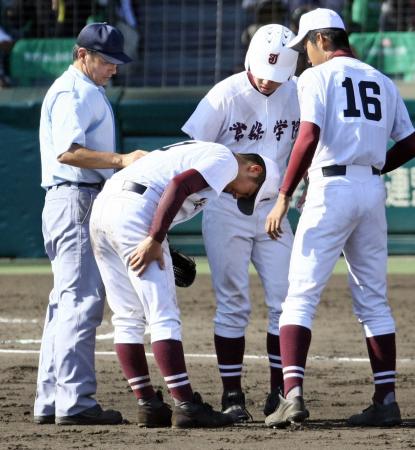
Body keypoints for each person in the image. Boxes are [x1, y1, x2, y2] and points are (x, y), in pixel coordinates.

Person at [263, 8, 415, 428]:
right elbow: (411, 140)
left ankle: (291, 395)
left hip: (330, 190)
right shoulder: (382, 80)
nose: (305, 55)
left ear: (321, 40)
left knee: (300, 296)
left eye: (306, 46)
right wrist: (378, 167)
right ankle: (386, 400)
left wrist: (283, 195)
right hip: (369, 190)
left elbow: (308, 135)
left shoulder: (316, 77)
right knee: (373, 301)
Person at [89, 140, 280, 428]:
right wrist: (155, 238)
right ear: (253, 169)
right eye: (248, 192)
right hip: (134, 213)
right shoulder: (226, 160)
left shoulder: (203, 155)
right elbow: (178, 185)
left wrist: (160, 236)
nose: (238, 195)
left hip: (105, 211)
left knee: (127, 316)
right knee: (162, 315)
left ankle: (149, 405)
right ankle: (186, 404)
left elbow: (165, 184)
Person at [182, 24, 300, 422]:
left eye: (278, 75)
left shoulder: (297, 91)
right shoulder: (225, 94)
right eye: (264, 72)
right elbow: (191, 150)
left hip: (274, 209)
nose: (269, 82)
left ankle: (279, 393)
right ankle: (232, 394)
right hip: (226, 206)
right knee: (233, 301)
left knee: (286, 300)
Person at [34, 22, 146, 426]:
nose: (114, 68)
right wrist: (120, 161)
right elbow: (69, 152)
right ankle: (75, 401)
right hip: (75, 199)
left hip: (75, 200)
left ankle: (51, 399)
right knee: (80, 303)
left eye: (117, 61)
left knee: (64, 303)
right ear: (82, 55)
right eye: (106, 60)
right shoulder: (72, 91)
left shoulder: (86, 90)